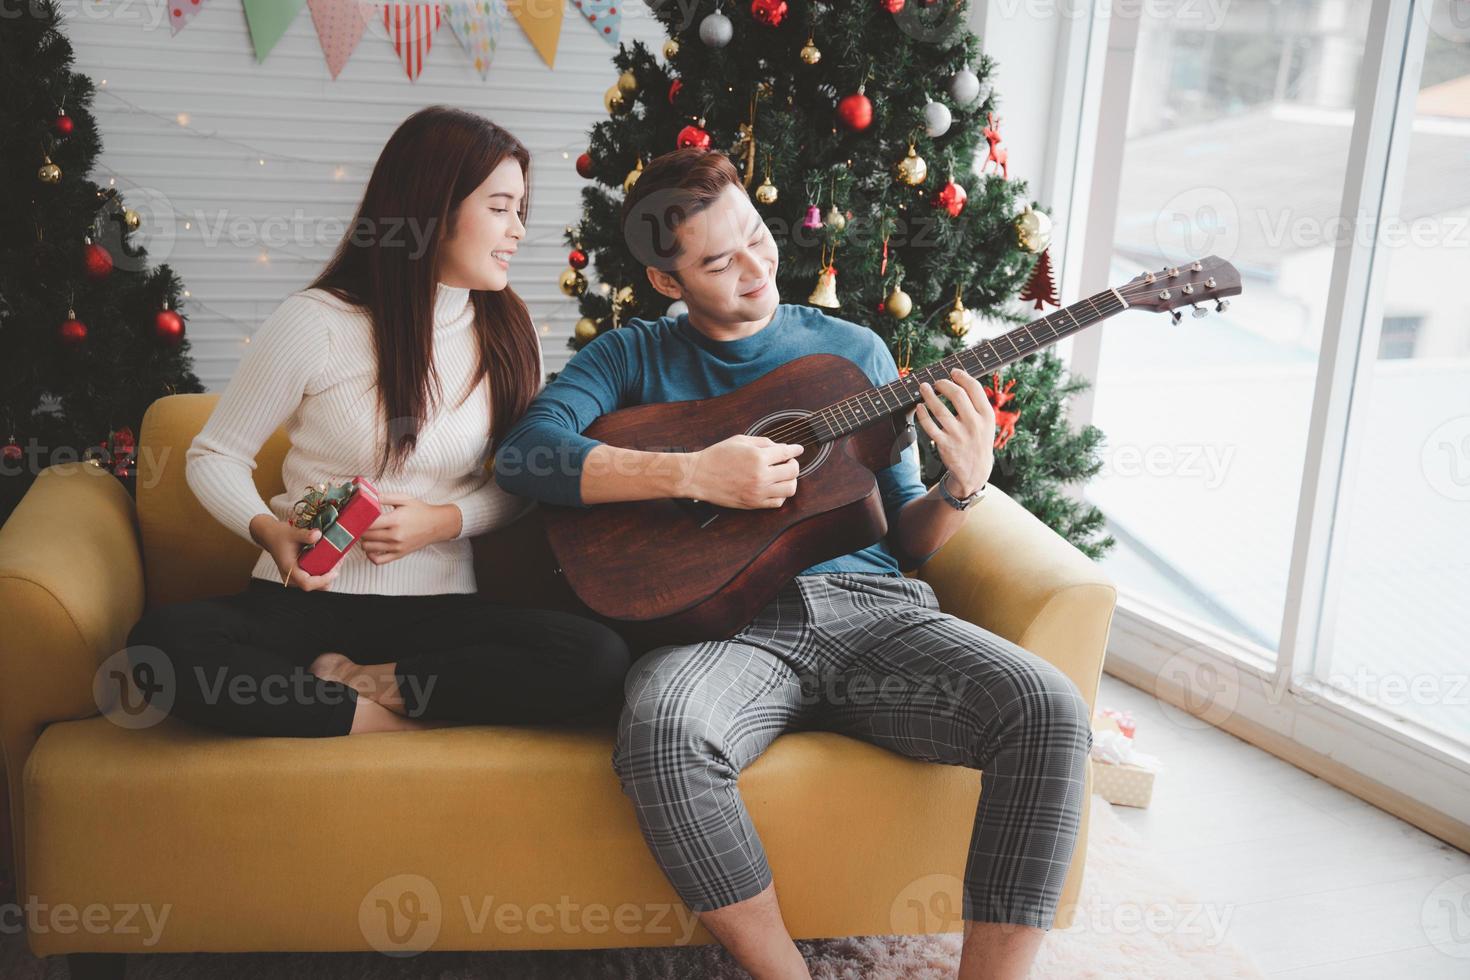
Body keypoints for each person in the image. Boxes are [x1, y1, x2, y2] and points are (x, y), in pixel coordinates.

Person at [492, 147, 1094, 980]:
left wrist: (961, 491)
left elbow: (905, 537)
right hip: (722, 632)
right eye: (716, 260)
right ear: (668, 282)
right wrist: (694, 472)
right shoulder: (630, 358)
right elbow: (524, 455)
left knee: (1048, 707)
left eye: (756, 237)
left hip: (871, 613)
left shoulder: (854, 355)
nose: (754, 268)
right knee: (664, 733)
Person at [124, 106, 630, 738]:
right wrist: (268, 532)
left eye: (520, 210)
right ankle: (384, 722)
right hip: (300, 604)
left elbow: (524, 479)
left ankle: (370, 683)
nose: (519, 230)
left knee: (597, 657)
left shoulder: (509, 328)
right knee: (160, 647)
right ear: (434, 209)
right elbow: (214, 455)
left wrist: (442, 522)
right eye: (500, 207)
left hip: (437, 616)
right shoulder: (317, 321)